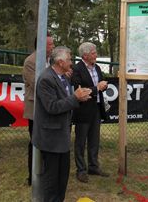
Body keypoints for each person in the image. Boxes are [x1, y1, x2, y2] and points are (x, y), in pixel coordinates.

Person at [32, 46, 92, 202]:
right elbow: (52, 107)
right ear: (60, 62)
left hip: (62, 137)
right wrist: (75, 98)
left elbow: (65, 101)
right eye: (69, 59)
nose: (71, 62)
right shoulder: (46, 79)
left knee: (62, 178)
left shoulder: (63, 77)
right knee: (51, 182)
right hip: (51, 139)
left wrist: (78, 98)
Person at [72, 42, 109, 183]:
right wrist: (97, 88)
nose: (96, 55)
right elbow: (79, 90)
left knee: (94, 140)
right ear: (85, 55)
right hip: (83, 110)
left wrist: (103, 86)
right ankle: (81, 170)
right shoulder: (76, 69)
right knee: (80, 141)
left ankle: (93, 166)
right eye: (93, 53)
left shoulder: (97, 67)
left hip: (96, 109)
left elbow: (100, 86)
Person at [22, 34, 54, 186]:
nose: (53, 47)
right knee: (35, 141)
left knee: (48, 142)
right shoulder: (30, 61)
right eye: (50, 45)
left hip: (50, 107)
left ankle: (45, 173)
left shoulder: (51, 61)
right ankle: (32, 176)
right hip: (35, 108)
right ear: (41, 45)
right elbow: (38, 84)